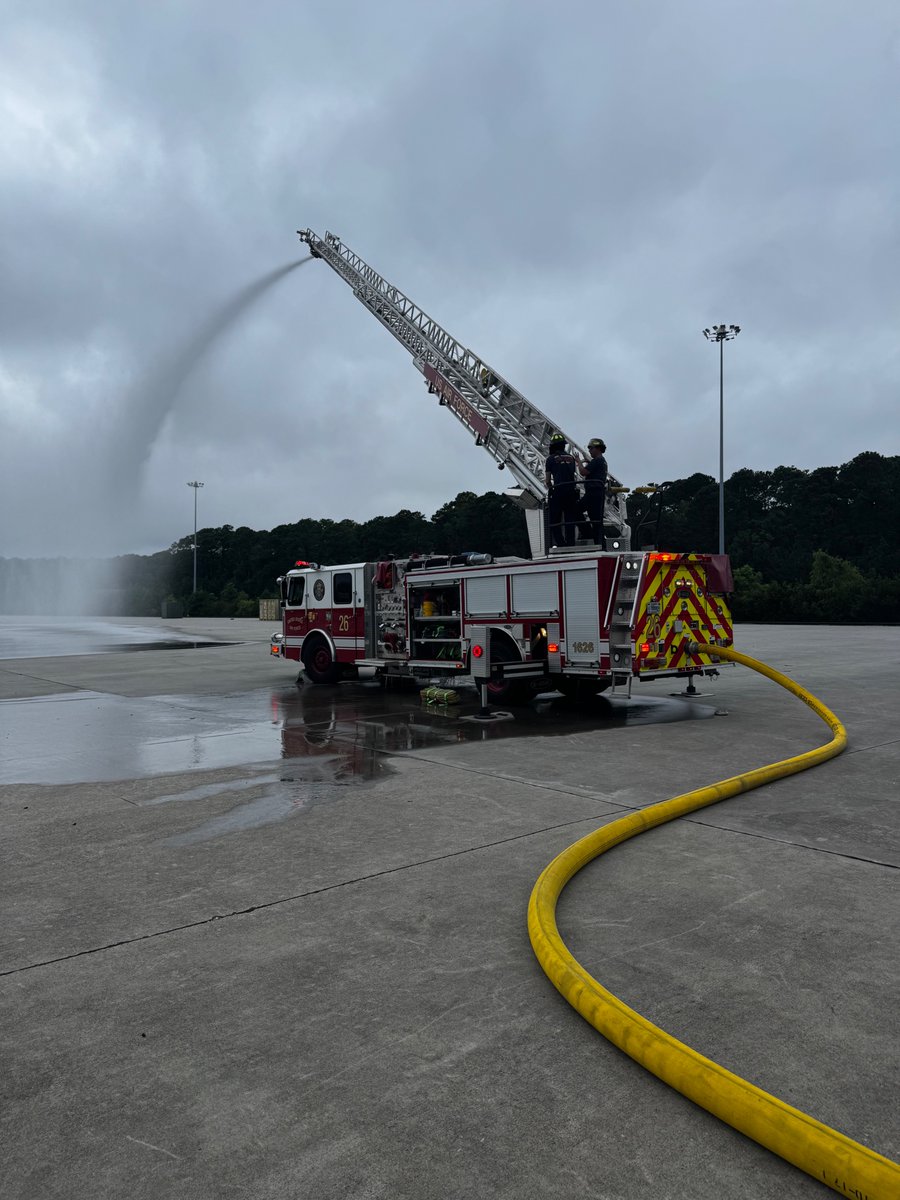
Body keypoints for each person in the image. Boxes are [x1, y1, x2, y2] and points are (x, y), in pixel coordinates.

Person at [544, 434, 580, 546]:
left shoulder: (550, 459)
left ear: (553, 446)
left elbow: (548, 481)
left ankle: (560, 543)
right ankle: (570, 543)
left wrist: (551, 489)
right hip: (571, 492)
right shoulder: (571, 458)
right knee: (570, 519)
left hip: (558, 492)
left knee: (554, 521)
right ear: (564, 445)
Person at [579, 437, 608, 545]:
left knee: (576, 511)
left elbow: (583, 472)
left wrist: (578, 461)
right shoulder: (601, 461)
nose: (590, 450)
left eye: (591, 448)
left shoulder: (597, 461)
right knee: (596, 520)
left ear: (598, 448)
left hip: (593, 493)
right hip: (597, 494)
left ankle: (587, 533)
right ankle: (600, 543)